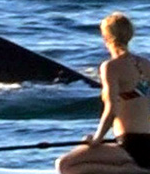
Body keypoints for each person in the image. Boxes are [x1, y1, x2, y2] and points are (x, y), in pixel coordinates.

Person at [56, 12, 150, 174]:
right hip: (147, 143)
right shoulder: (147, 64)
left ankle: (130, 170)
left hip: (130, 145)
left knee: (64, 165)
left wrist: (97, 139)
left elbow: (111, 109)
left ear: (106, 37)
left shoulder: (110, 67)